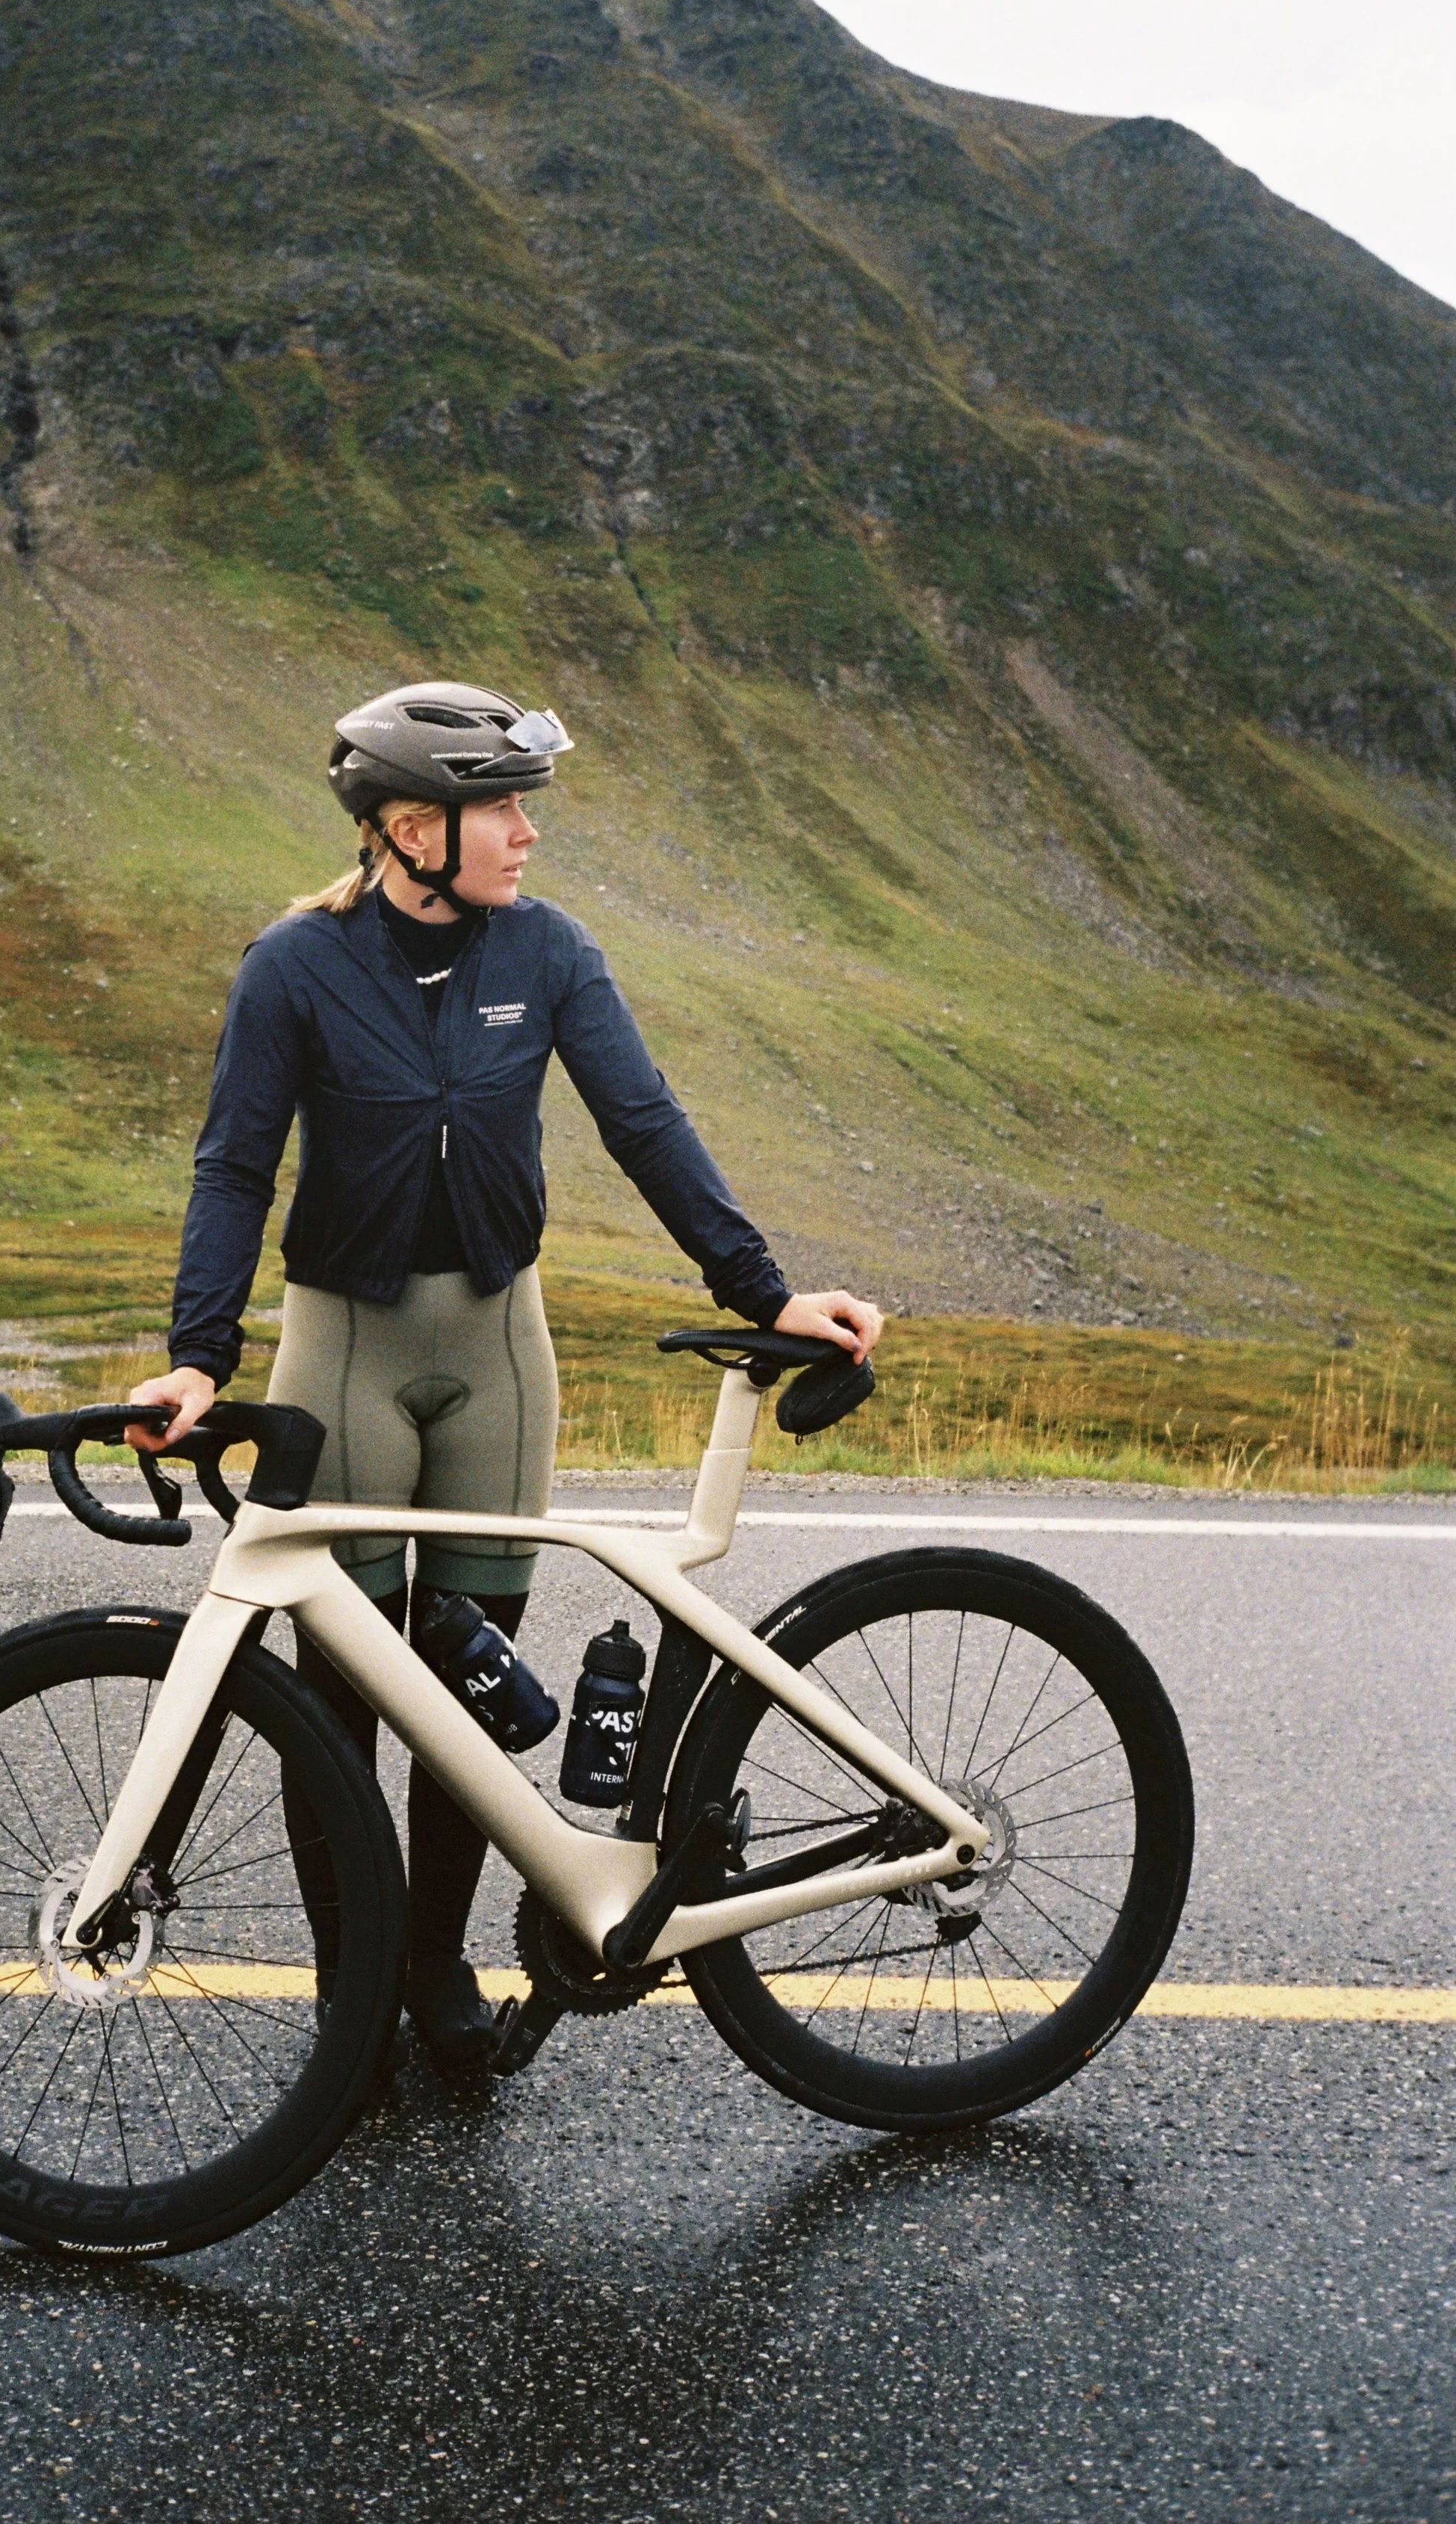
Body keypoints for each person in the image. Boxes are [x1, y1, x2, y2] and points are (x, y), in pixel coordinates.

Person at [128, 682, 883, 2072]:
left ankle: (434, 1968)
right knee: (343, 1698)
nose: (528, 832)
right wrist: (197, 1356)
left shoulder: (548, 952)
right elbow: (234, 1165)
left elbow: (644, 1123)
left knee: (462, 1688)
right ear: (413, 827)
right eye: (503, 808)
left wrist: (766, 1290)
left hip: (497, 1348)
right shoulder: (292, 967)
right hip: (342, 1345)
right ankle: (351, 1994)